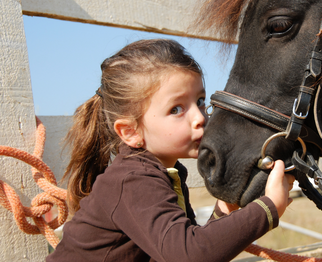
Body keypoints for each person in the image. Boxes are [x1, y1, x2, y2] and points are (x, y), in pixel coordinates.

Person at [46, 39, 294, 262]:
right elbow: (189, 255)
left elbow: (180, 246)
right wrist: (269, 208)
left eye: (199, 101)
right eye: (176, 109)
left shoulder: (163, 171)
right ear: (131, 132)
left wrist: (223, 211)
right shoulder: (133, 180)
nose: (199, 117)